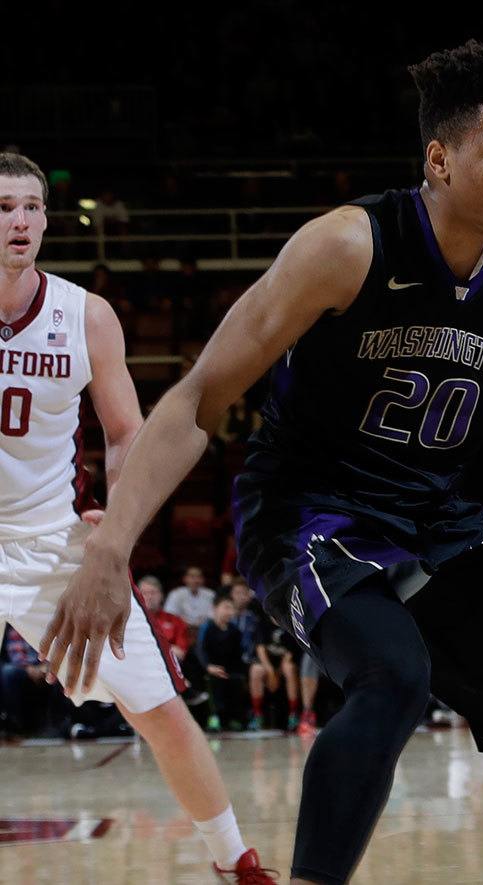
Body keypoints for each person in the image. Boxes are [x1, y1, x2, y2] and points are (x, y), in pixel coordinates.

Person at [48, 44, 483, 885]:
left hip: (441, 520)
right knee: (393, 679)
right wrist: (111, 547)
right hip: (312, 514)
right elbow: (200, 398)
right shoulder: (347, 246)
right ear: (439, 159)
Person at [0, 152, 271, 882]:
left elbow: (126, 435)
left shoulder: (85, 314)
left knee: (159, 707)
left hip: (54, 541)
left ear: (47, 221)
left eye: (30, 207)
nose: (18, 221)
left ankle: (234, 861)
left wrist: (115, 527)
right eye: (2, 207)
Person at [198, 596, 248, 731]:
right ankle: (214, 718)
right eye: (226, 607)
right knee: (214, 682)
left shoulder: (234, 630)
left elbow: (239, 654)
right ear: (215, 609)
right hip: (210, 668)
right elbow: (201, 650)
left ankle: (234, 719)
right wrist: (209, 667)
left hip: (230, 669)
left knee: (237, 680)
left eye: (232, 608)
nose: (229, 612)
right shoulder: (207, 627)